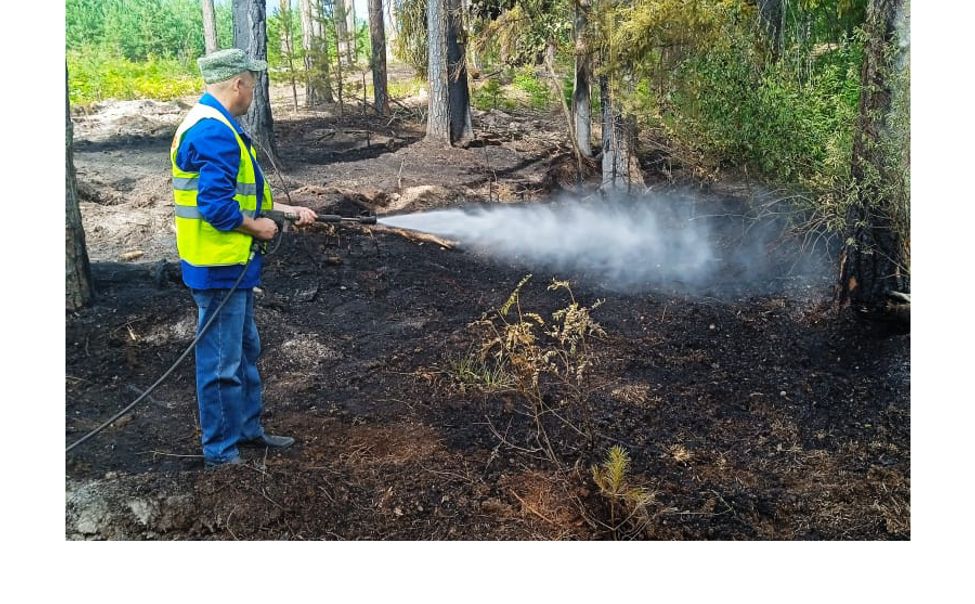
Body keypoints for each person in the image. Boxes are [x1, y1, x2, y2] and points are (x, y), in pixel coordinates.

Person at [170, 48, 316, 467]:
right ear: (238, 83)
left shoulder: (215, 123)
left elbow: (238, 194)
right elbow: (216, 207)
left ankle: (249, 430)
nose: (254, 91)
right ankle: (221, 453)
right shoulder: (213, 131)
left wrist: (285, 212)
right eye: (252, 83)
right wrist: (257, 227)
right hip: (219, 269)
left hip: (233, 266)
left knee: (245, 350)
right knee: (220, 364)